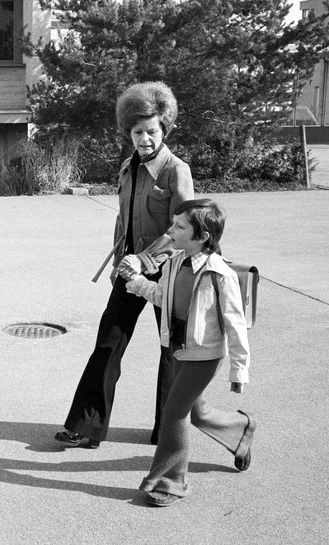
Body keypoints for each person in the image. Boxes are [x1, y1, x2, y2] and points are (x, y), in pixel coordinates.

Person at [56, 82, 193, 447]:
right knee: (108, 343)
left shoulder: (176, 171)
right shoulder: (127, 168)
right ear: (127, 132)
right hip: (131, 270)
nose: (145, 139)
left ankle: (168, 430)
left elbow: (184, 229)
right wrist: (122, 263)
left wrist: (146, 258)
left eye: (152, 131)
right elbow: (124, 221)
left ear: (164, 129)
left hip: (169, 271)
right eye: (137, 132)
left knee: (171, 353)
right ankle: (86, 426)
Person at [121, 198, 255, 507]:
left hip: (205, 355)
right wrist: (137, 281)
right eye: (173, 223)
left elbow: (235, 323)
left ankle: (170, 482)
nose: (170, 230)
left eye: (179, 226)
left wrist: (239, 369)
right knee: (196, 411)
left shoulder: (220, 274)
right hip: (177, 348)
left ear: (202, 236)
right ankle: (240, 430)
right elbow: (161, 296)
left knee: (174, 412)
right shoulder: (174, 262)